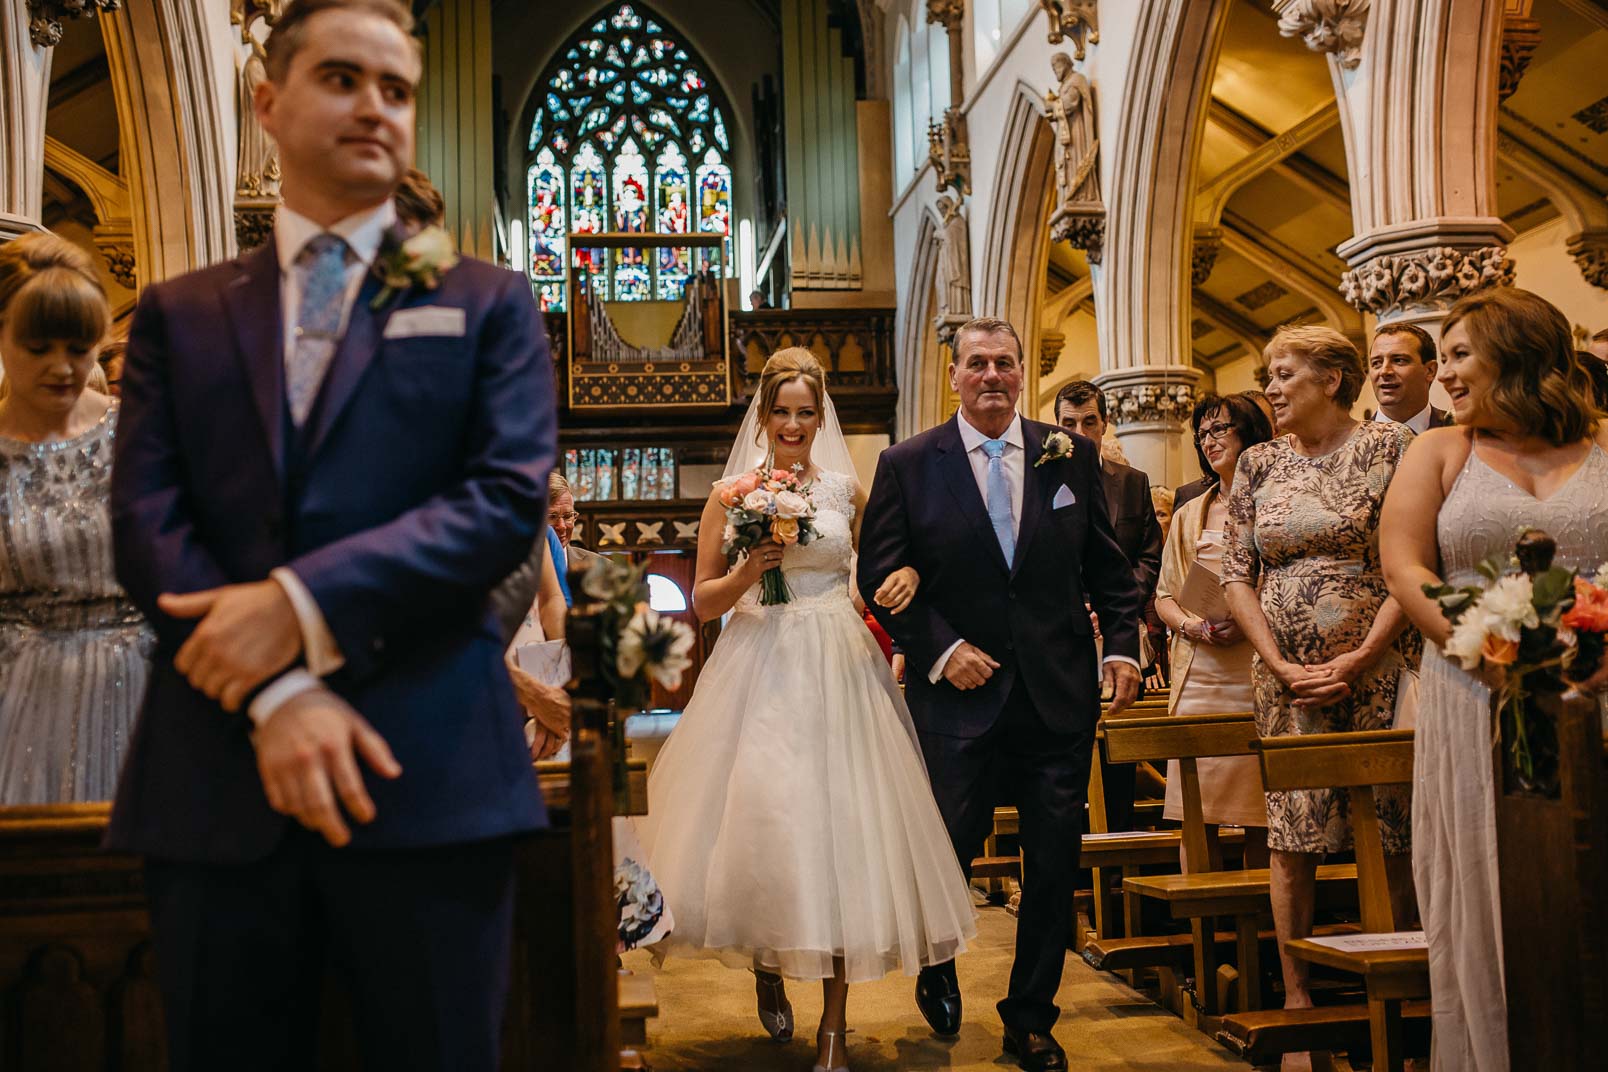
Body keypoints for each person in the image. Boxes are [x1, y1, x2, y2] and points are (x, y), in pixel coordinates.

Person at [105, 2, 555, 1068]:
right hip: (218, 778)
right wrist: (277, 692)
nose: (374, 108)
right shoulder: (183, 312)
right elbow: (146, 519)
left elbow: (497, 503)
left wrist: (296, 610)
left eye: (396, 90)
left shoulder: (488, 303)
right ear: (267, 99)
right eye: (342, 79)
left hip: (431, 769)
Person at [640, 348, 973, 1072]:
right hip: (759, 660)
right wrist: (747, 570)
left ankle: (834, 1030)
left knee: (842, 835)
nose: (793, 423)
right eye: (781, 411)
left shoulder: (847, 491)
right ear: (763, 416)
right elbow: (699, 604)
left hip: (839, 661)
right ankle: (768, 959)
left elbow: (888, 558)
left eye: (805, 412)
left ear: (820, 417)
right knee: (767, 825)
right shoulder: (730, 495)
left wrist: (904, 573)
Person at [859, 317, 1143, 1072]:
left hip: (1056, 694)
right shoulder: (909, 463)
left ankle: (1031, 1018)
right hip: (958, 698)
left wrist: (1122, 647)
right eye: (977, 363)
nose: (992, 376)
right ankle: (938, 957)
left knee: (1053, 864)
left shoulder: (1069, 456)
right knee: (948, 844)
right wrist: (941, 649)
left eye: (1005, 364)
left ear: (1023, 374)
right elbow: (879, 577)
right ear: (954, 374)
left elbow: (1110, 573)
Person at [1381, 288, 1608, 1072]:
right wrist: (1480, 644)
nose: (1442, 375)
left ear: (1515, 352)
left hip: (1598, 693)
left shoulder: (1602, 450)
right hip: (1473, 691)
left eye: (1457, 354)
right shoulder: (1438, 452)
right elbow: (1404, 567)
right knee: (1490, 883)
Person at [1221, 326, 1418, 1063]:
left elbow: (1410, 561)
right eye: (1268, 376)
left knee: (1391, 823)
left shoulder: (1390, 447)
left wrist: (1364, 655)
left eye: (1284, 375)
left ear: (1332, 379)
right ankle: (1297, 990)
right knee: (1292, 830)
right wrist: (1275, 658)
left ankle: (1400, 977)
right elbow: (1238, 571)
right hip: (1284, 680)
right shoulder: (1258, 463)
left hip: (1381, 667)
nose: (1270, 390)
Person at [0, 233, 154, 804]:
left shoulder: (144, 434)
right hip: (19, 696)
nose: (64, 368)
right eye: (39, 348)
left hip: (143, 688)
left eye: (80, 346)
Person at [1153, 393, 1273, 869]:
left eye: (1220, 429)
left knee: (1260, 814)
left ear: (1250, 432)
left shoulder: (1275, 501)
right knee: (1194, 814)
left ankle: (1262, 928)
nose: (1209, 440)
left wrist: (1247, 622)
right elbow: (1163, 595)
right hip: (1199, 674)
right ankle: (1204, 934)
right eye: (1202, 433)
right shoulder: (1189, 512)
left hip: (1256, 673)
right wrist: (1193, 625)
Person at [1054, 379, 1162, 835]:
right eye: (1069, 423)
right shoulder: (1040, 477)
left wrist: (1113, 604)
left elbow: (1148, 555)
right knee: (1063, 757)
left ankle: (1117, 863)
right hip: (1061, 636)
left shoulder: (1132, 483)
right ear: (1055, 427)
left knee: (1117, 751)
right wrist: (1076, 606)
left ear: (1104, 424)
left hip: (1117, 634)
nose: (1080, 431)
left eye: (1089, 422)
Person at [1175, 390, 1275, 510]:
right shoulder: (1187, 513)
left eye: (1218, 429)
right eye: (1202, 436)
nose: (1208, 443)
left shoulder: (1285, 495)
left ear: (1246, 432)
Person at [1367, 322, 1451, 431]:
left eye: (1399, 360)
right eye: (1377, 363)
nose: (1384, 371)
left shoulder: (1462, 431)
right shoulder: (1352, 443)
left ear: (1430, 371)